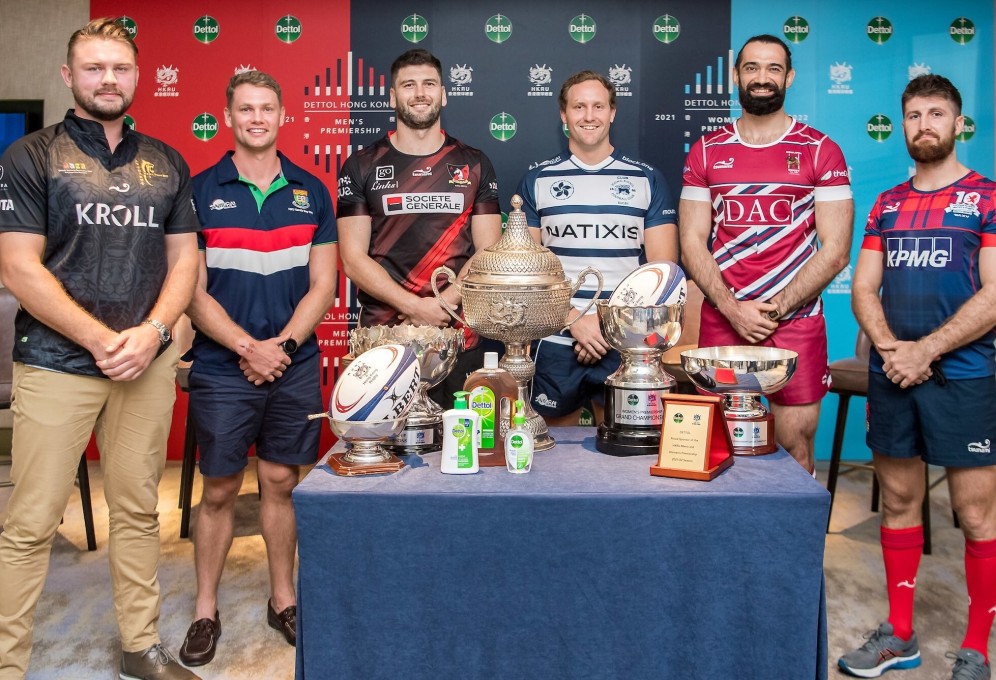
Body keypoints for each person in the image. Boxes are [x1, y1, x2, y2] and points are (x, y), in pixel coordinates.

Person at [0, 18, 200, 680]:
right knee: (30, 524)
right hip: (58, 364)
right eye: (93, 68)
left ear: (138, 77)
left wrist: (153, 334)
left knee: (138, 513)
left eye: (119, 68)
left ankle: (139, 648)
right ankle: (8, 665)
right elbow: (18, 269)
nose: (107, 79)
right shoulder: (31, 156)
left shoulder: (166, 162)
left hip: (145, 364)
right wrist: (99, 338)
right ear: (69, 76)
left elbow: (184, 263)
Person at [838, 74, 996, 680]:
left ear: (957, 123)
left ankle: (975, 649)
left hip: (963, 378)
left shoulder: (993, 198)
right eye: (913, 115)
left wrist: (927, 352)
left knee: (975, 514)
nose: (923, 125)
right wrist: (893, 349)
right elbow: (864, 289)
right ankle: (901, 634)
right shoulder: (888, 203)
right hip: (895, 374)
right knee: (898, 500)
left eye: (935, 114)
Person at [178, 70, 337, 666]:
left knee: (280, 482)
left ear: (281, 116)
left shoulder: (311, 191)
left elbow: (324, 284)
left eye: (267, 108)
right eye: (245, 109)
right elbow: (192, 293)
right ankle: (204, 608)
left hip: (291, 363)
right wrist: (250, 348)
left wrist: (284, 348)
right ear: (228, 117)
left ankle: (283, 598)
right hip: (223, 365)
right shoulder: (197, 192)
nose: (256, 118)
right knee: (219, 489)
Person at [679, 34, 853, 473]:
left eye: (773, 69)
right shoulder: (706, 150)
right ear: (736, 76)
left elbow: (835, 251)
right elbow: (691, 243)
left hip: (795, 322)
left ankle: (786, 543)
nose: (762, 78)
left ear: (789, 77)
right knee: (713, 445)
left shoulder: (820, 150)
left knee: (795, 446)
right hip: (724, 316)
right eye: (752, 68)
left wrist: (772, 311)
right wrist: (733, 309)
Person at [337, 48, 502, 406]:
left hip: (459, 335)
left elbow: (489, 252)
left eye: (429, 84)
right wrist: (413, 306)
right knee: (387, 453)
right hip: (385, 340)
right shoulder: (361, 165)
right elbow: (351, 258)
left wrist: (443, 305)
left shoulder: (473, 162)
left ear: (443, 93)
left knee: (461, 447)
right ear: (393, 96)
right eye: (408, 85)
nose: (420, 93)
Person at [517, 70, 678, 426]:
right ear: (563, 114)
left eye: (598, 106)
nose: (589, 116)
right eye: (579, 106)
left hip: (626, 342)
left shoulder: (646, 178)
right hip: (558, 337)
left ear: (612, 112)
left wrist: (604, 326)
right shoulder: (538, 180)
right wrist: (574, 321)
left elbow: (663, 274)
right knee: (552, 455)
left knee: (630, 454)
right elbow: (526, 273)